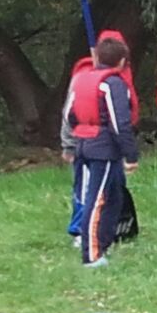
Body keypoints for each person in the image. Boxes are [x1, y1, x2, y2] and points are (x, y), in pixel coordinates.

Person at [66, 35, 140, 267]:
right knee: (96, 200)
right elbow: (120, 123)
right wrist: (131, 155)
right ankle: (91, 255)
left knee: (114, 196)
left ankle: (105, 241)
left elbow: (70, 115)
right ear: (121, 62)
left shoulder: (81, 80)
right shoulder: (114, 84)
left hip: (83, 144)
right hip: (103, 150)